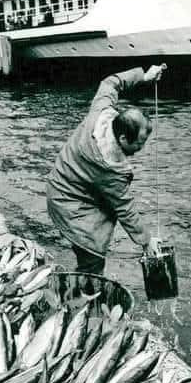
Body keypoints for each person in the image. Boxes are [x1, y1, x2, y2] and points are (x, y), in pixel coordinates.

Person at [45, 64, 166, 274]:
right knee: (92, 257)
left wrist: (144, 77)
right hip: (68, 201)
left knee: (94, 246)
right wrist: (147, 242)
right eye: (138, 144)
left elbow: (111, 82)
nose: (140, 149)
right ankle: (84, 297)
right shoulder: (108, 169)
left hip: (66, 178)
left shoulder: (101, 110)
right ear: (121, 138)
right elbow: (125, 208)